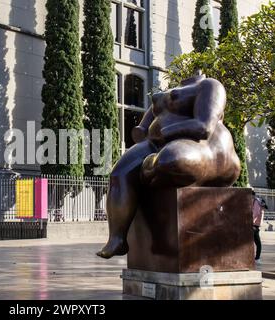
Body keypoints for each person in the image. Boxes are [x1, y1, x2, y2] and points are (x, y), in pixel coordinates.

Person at [97, 73, 241, 259]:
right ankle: (117, 238)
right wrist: (145, 131)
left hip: (199, 143)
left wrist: (165, 131)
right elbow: (141, 130)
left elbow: (204, 127)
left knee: (170, 161)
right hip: (157, 144)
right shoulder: (168, 91)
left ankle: (152, 165)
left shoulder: (209, 85)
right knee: (120, 173)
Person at [252, 191, 267, 264]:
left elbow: (256, 213)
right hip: (256, 225)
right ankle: (256, 258)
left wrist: (251, 223)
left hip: (254, 225)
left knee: (257, 243)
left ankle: (257, 258)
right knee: (257, 243)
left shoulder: (256, 202)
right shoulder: (257, 201)